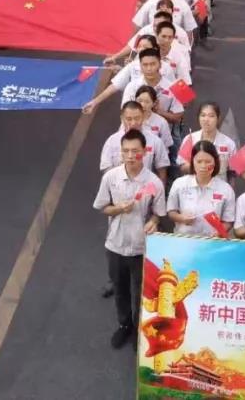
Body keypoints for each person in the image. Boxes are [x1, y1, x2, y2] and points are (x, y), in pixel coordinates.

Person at [92, 129, 166, 349]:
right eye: (126, 151)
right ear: (121, 152)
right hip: (115, 244)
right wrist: (118, 209)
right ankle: (124, 325)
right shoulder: (111, 177)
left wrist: (154, 221)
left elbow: (158, 214)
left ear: (144, 151)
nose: (131, 155)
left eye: (135, 151)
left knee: (141, 292)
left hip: (142, 248)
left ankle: (138, 330)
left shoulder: (154, 182)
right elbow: (102, 207)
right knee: (120, 289)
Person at [166, 140, 236, 237]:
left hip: (212, 241)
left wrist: (219, 233)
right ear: (192, 162)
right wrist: (181, 218)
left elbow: (228, 221)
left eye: (208, 162)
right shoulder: (179, 184)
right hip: (184, 239)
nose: (203, 166)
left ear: (215, 162)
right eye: (199, 162)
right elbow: (171, 211)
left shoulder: (226, 189)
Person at [175, 102, 238, 177]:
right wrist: (201, 167)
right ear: (198, 118)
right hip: (194, 182)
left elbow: (233, 171)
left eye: (211, 116)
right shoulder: (190, 138)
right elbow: (182, 166)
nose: (206, 119)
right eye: (203, 115)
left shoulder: (229, 143)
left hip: (219, 183)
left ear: (218, 118)